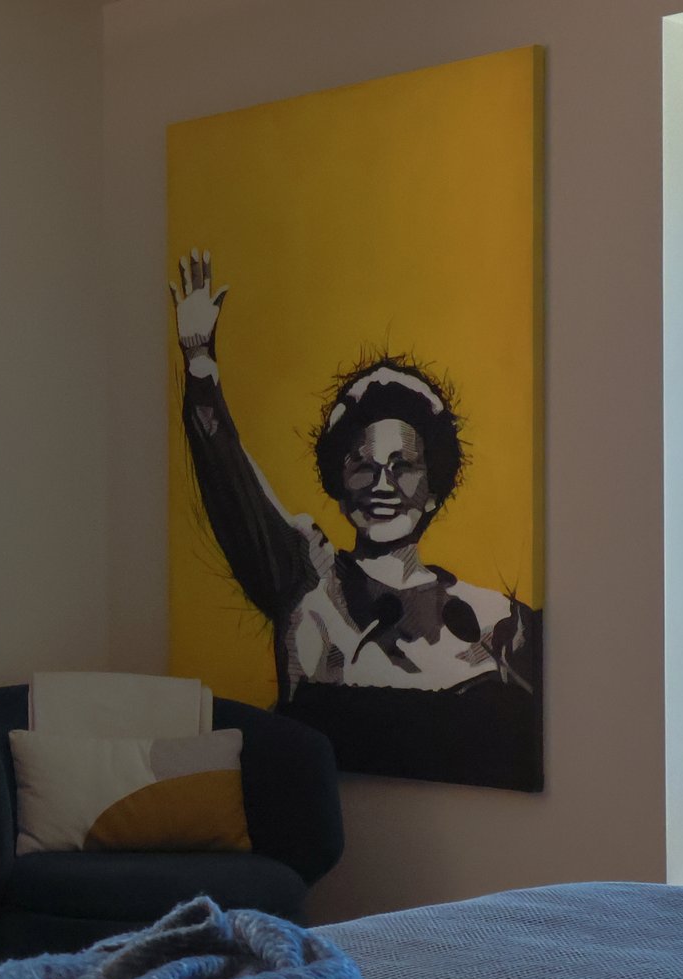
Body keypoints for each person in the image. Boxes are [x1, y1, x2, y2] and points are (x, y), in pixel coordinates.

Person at [172, 250, 541, 789]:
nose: (382, 485)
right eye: (362, 466)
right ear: (340, 487)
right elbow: (233, 488)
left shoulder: (499, 623)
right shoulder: (309, 587)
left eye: (403, 467)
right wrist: (200, 365)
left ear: (434, 489)